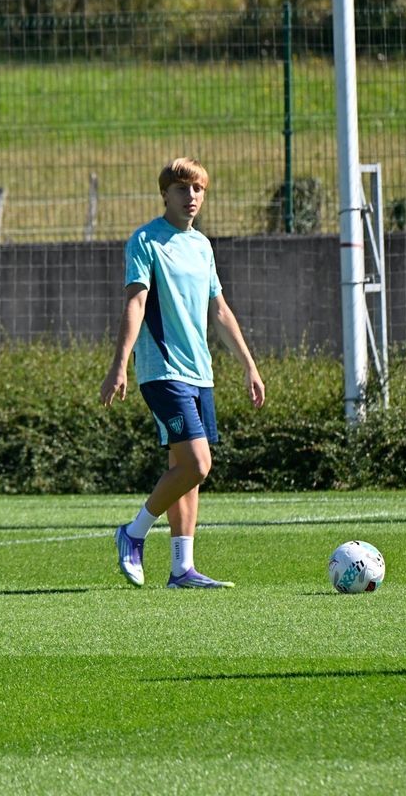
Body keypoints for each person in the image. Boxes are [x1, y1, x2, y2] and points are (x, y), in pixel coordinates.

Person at [100, 157, 265, 589]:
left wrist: (248, 365)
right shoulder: (145, 241)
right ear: (165, 194)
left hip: (200, 373)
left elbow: (219, 310)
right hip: (162, 371)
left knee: (184, 470)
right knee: (197, 464)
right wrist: (119, 364)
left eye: (198, 190)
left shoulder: (203, 246)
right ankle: (132, 533)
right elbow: (136, 303)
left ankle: (181, 569)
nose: (191, 197)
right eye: (182, 189)